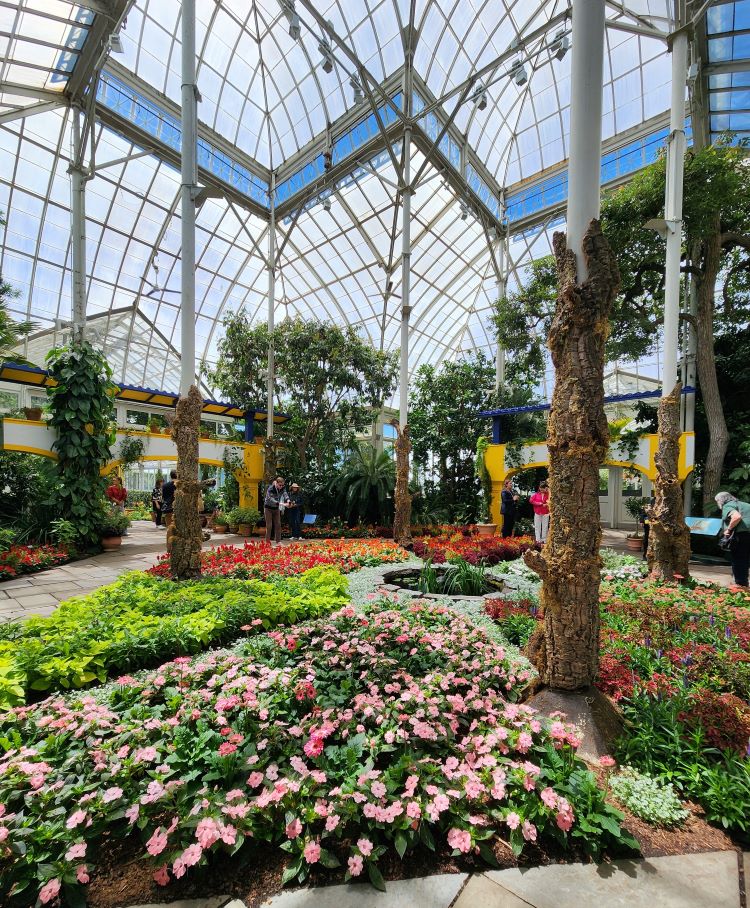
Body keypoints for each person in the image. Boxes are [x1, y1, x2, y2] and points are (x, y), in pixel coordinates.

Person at [716, 491, 750, 588]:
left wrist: (729, 529)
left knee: (739, 559)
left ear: (721, 500)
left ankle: (741, 585)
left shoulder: (728, 505)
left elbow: (736, 516)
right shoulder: (746, 505)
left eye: (717, 501)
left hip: (742, 535)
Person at [264, 476, 289, 545]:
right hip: (268, 508)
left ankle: (278, 541)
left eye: (282, 485)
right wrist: (281, 503)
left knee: (278, 524)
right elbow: (271, 499)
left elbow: (285, 494)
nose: (281, 486)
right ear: (276, 483)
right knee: (269, 526)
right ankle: (267, 542)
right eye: (280, 485)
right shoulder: (270, 488)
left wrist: (288, 500)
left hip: (276, 508)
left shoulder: (282, 488)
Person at [640, 495, 656, 560]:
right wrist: (641, 521)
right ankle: (645, 555)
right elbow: (643, 512)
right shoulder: (651, 501)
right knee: (646, 539)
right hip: (648, 524)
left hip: (658, 526)